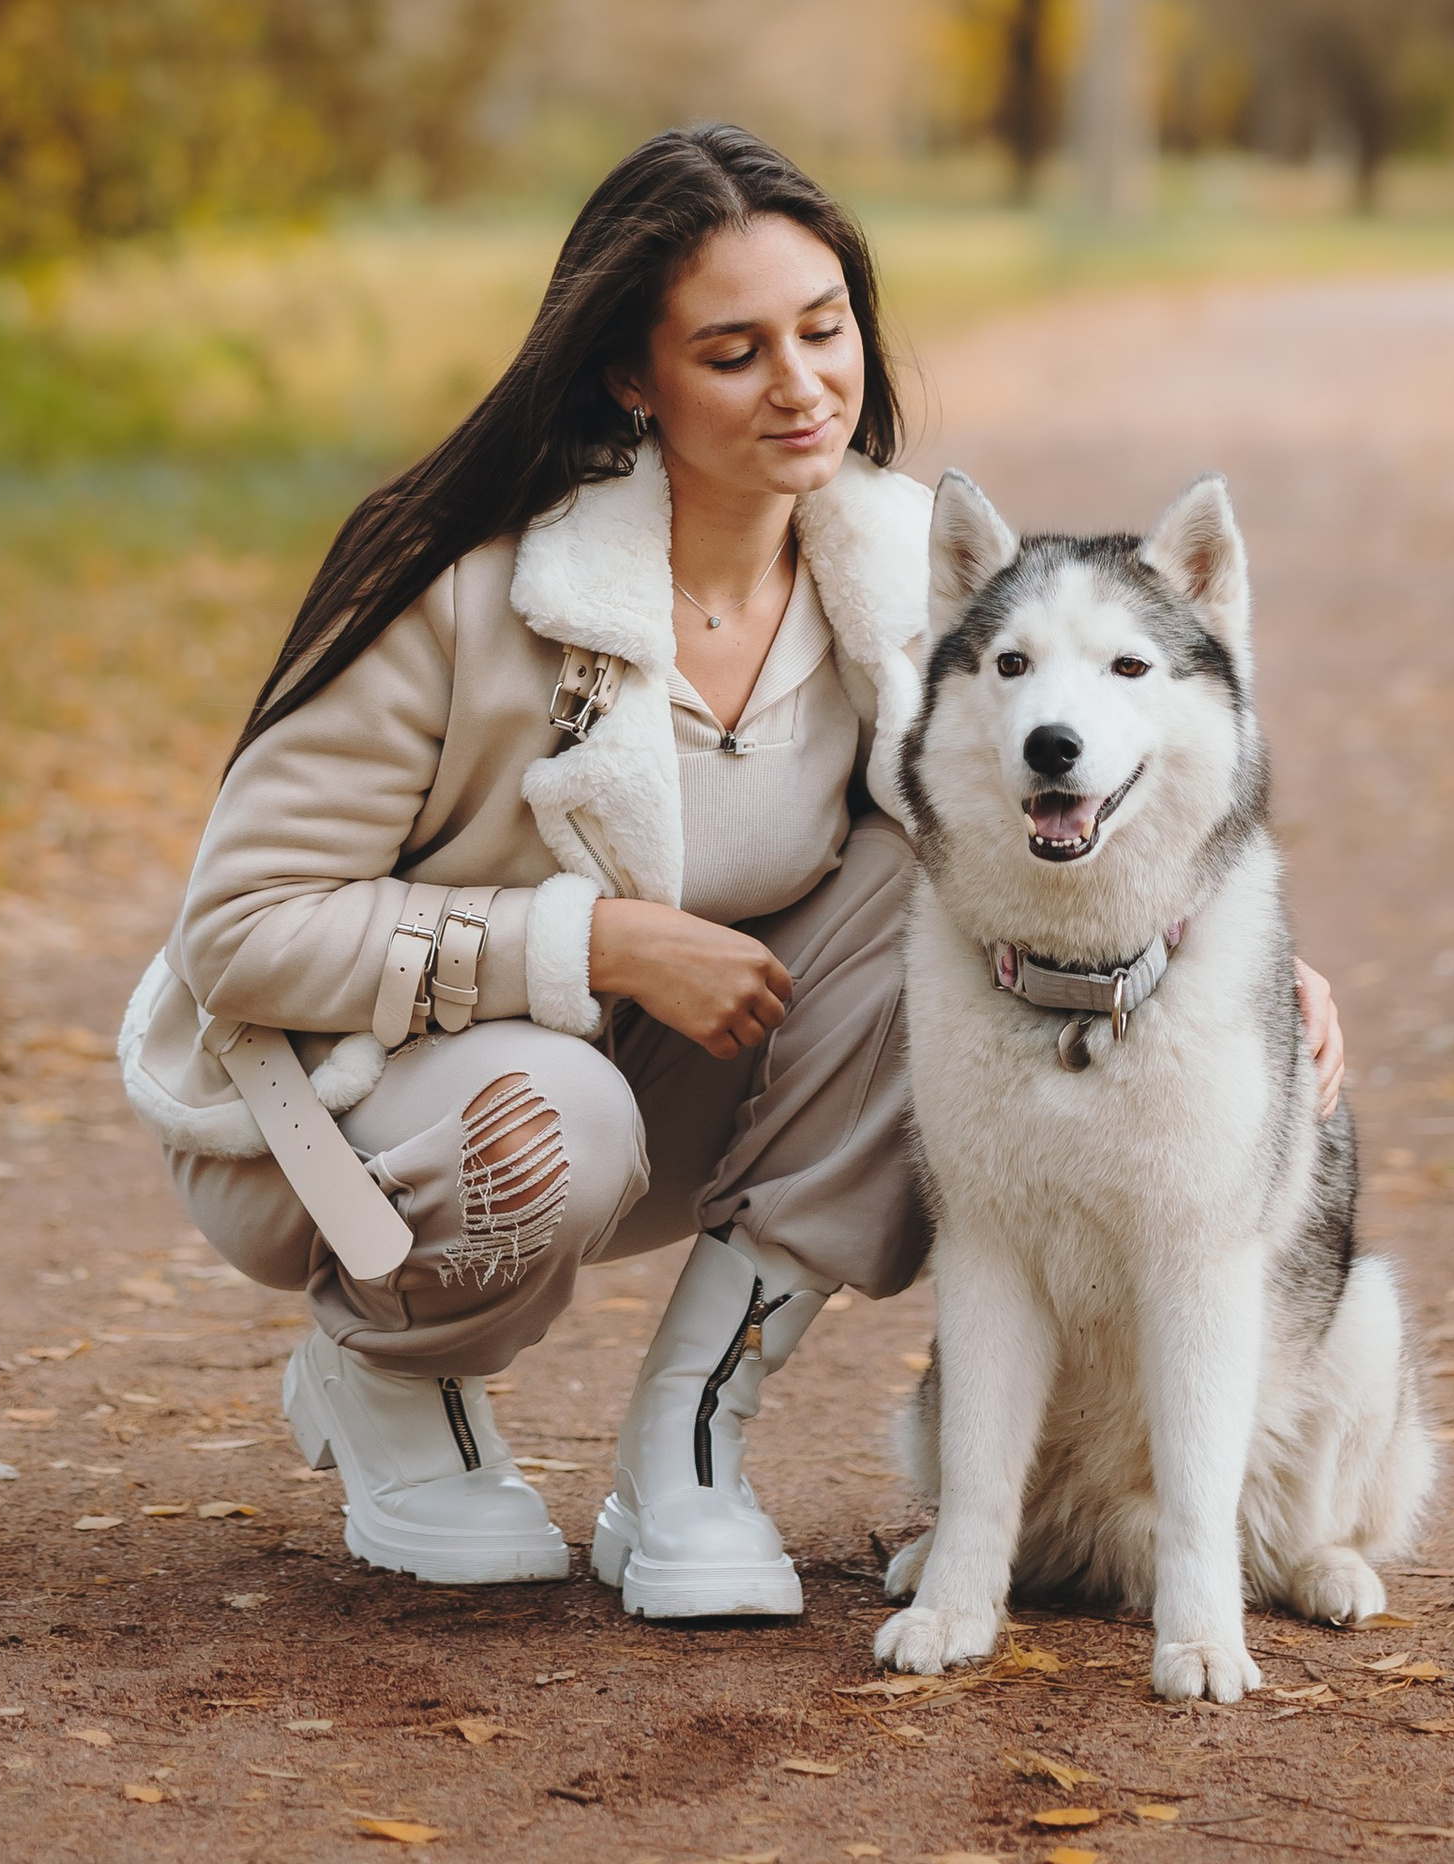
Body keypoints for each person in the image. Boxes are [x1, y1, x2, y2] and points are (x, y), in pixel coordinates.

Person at [118, 124, 1346, 1616]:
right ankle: (388, 1377)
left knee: (937, 924)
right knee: (544, 1113)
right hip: (352, 1100)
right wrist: (596, 944)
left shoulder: (890, 579)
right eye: (734, 350)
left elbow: (1039, 821)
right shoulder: (470, 594)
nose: (803, 383)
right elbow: (238, 931)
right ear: (635, 377)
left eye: (825, 330)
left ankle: (691, 1428)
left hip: (661, 1075)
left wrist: (1210, 971)